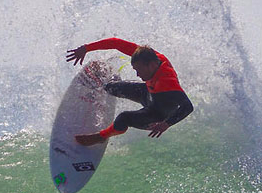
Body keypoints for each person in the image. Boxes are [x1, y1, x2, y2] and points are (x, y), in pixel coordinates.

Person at [66, 38, 194, 146]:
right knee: (111, 87)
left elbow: (188, 106)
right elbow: (116, 43)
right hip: (147, 93)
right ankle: (106, 82)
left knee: (124, 118)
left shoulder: (168, 82)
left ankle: (101, 137)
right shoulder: (147, 56)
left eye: (139, 70)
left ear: (150, 65)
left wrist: (166, 124)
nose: (137, 74)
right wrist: (86, 48)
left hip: (157, 115)